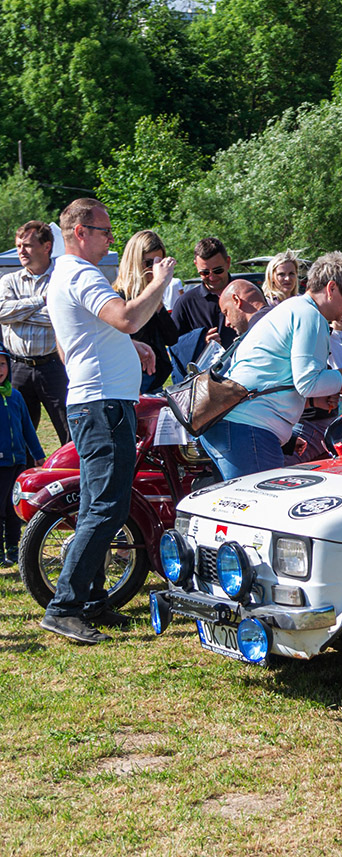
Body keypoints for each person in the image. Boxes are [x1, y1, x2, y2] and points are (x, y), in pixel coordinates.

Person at [44, 198, 171, 644]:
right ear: (80, 232)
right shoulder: (81, 274)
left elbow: (72, 345)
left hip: (95, 403)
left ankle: (92, 599)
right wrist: (159, 282)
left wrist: (125, 348)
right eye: (104, 230)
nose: (111, 239)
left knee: (97, 504)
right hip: (102, 407)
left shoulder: (63, 275)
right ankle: (64, 607)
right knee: (106, 507)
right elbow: (128, 317)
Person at [199, 252, 342, 480]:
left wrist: (285, 437)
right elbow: (309, 383)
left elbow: (276, 376)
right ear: (331, 288)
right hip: (247, 429)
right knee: (262, 501)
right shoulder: (310, 316)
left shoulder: (295, 308)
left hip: (238, 426)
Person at [0, 220, 70, 444]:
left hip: (54, 366)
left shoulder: (62, 278)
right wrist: (41, 301)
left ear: (47, 246)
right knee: (17, 435)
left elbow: (61, 317)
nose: (21, 251)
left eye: (28, 245)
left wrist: (18, 314)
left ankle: (72, 467)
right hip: (17, 367)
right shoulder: (9, 280)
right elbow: (2, 312)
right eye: (19, 246)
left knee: (69, 431)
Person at [113, 230, 180, 393]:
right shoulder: (118, 299)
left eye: (159, 263)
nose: (154, 269)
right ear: (134, 263)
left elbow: (172, 338)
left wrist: (157, 300)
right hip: (130, 384)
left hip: (154, 383)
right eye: (149, 263)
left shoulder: (153, 297)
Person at [0, 346, 45, 564]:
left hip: (17, 461)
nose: (0, 369)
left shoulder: (15, 396)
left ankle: (13, 548)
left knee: (13, 508)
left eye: (2, 364)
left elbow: (27, 428)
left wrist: (38, 454)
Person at [173, 237, 237, 348]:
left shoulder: (248, 294)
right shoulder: (186, 303)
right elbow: (174, 346)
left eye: (218, 270)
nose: (212, 277)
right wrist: (200, 341)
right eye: (205, 272)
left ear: (228, 262)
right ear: (196, 266)